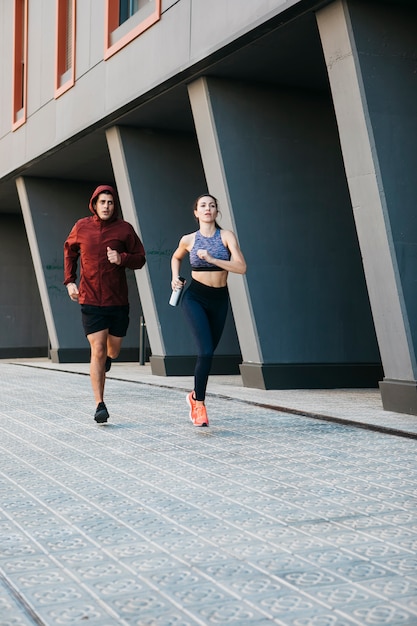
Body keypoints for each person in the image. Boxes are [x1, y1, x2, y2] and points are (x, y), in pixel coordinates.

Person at [64, 185, 146, 424]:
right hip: (90, 298)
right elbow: (69, 251)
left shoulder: (124, 229)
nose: (106, 206)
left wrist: (122, 258)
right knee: (97, 349)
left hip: (117, 300)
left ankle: (108, 358)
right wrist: (70, 282)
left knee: (113, 351)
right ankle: (100, 404)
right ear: (95, 204)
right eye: (102, 202)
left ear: (114, 205)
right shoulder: (82, 227)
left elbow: (140, 258)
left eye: (110, 202)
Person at [171, 193, 246, 427]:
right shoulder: (188, 239)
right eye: (203, 205)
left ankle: (194, 395)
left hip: (219, 299)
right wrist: (174, 278)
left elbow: (241, 267)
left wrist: (213, 259)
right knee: (205, 351)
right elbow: (176, 257)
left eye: (212, 205)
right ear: (196, 212)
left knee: (209, 352)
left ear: (216, 212)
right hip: (195, 297)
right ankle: (199, 405)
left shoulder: (226, 236)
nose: (207, 209)